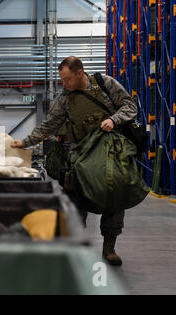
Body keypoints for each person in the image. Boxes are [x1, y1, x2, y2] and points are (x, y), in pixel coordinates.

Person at [11, 56, 137, 266]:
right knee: (76, 200)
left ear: (80, 73)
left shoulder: (105, 84)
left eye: (68, 79)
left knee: (113, 198)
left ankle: (109, 248)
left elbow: (130, 107)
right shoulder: (65, 98)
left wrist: (113, 120)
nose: (65, 84)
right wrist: (24, 143)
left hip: (110, 153)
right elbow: (49, 125)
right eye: (62, 80)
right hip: (80, 155)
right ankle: (77, 248)